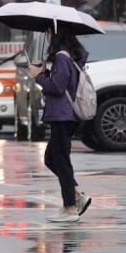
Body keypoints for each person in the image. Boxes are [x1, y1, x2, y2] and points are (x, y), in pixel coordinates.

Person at [29, 23, 92, 223]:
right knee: (51, 158)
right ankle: (76, 195)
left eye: (48, 32)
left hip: (62, 115)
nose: (47, 36)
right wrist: (45, 72)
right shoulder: (69, 56)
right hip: (64, 115)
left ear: (57, 34)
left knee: (62, 161)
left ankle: (70, 207)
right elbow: (61, 82)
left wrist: (38, 76)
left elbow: (57, 87)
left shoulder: (62, 57)